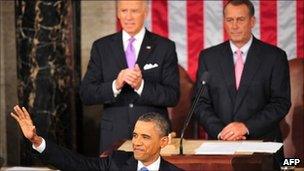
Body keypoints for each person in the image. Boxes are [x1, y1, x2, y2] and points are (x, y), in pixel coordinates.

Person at [79, 0, 180, 153]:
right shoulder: (102, 47)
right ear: (118, 13)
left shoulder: (164, 47)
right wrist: (115, 85)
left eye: (134, 11)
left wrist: (141, 86)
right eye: (124, 11)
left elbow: (172, 96)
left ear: (145, 13)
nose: (129, 17)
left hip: (153, 135)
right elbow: (86, 94)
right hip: (114, 136)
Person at [194, 0, 290, 149]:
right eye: (230, 20)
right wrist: (221, 131)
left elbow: (280, 103)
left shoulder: (274, 57)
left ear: (252, 21)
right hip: (221, 144)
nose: (234, 26)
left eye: (240, 19)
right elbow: (200, 103)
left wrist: (246, 127)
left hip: (263, 143)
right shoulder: (209, 57)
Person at [11, 105, 182, 171]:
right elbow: (75, 163)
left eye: (145, 137)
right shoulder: (117, 162)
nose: (136, 142)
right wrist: (36, 140)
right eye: (135, 135)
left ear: (164, 142)